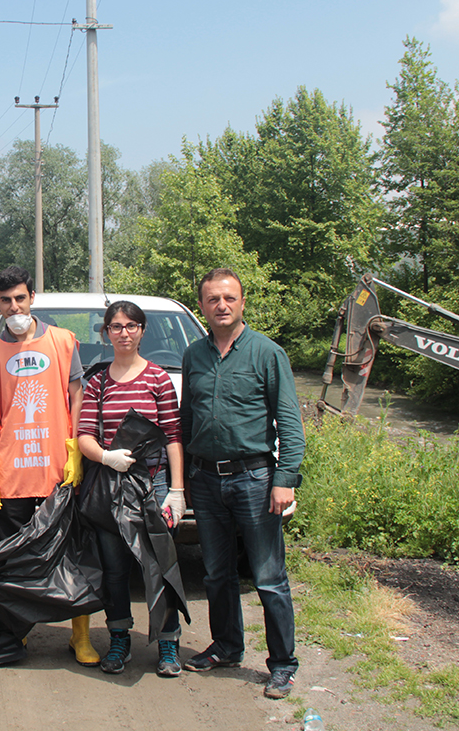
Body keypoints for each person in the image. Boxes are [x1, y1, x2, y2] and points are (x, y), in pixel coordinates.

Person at [180, 268, 305, 699]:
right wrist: (186, 479)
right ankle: (228, 646)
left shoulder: (268, 353)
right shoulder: (193, 355)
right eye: (213, 299)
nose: (221, 305)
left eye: (229, 298)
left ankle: (283, 664)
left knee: (269, 577)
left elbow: (289, 420)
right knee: (216, 574)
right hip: (207, 480)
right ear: (202, 306)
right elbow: (186, 419)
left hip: (255, 478)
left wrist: (284, 479)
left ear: (242, 302)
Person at [0, 265, 99, 667]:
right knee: (18, 557)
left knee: (70, 553)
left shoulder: (63, 342)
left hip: (55, 468)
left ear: (32, 298)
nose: (14, 306)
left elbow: (77, 397)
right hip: (13, 472)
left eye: (20, 298)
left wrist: (74, 449)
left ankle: (79, 636)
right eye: (6, 300)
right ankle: (20, 632)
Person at [76, 301, 186, 676]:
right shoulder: (98, 382)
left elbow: (173, 435)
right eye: (116, 326)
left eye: (131, 325)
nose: (124, 332)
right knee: (114, 568)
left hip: (152, 484)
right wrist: (106, 457)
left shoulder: (158, 379)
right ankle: (119, 637)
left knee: (160, 563)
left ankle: (168, 643)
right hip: (110, 484)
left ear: (142, 331)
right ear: (106, 332)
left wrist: (177, 490)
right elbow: (84, 437)